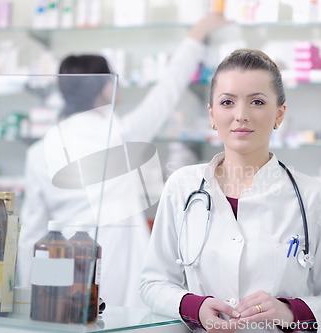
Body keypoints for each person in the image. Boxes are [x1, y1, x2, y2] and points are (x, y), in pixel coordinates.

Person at [139, 49, 321, 332]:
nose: (240, 115)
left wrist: (290, 312)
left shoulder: (312, 197)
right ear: (212, 114)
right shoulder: (182, 187)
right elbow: (152, 284)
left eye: (257, 101)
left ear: (279, 114)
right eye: (227, 102)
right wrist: (193, 306)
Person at [16, 13, 227, 308]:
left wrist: (27, 298)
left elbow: (32, 234)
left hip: (59, 272)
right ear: (104, 87)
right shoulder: (119, 133)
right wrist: (196, 35)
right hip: (115, 266)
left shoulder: (40, 150)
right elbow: (167, 91)